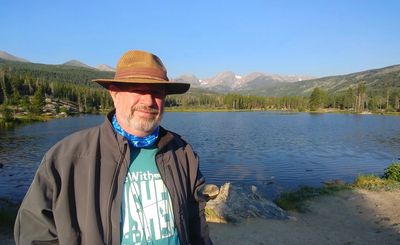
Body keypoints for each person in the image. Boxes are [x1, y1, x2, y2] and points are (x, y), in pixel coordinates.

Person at [14, 50, 213, 245]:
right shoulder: (66, 157)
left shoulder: (182, 152)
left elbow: (198, 226)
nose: (149, 101)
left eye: (157, 92)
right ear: (114, 94)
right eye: (138, 90)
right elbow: (36, 233)